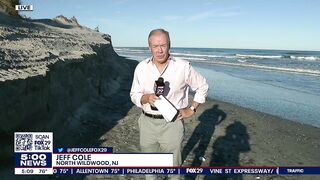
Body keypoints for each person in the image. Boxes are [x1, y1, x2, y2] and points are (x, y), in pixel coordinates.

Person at [130, 28, 209, 169]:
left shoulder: (183, 66)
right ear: (149, 47)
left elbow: (202, 86)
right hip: (147, 123)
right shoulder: (141, 68)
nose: (159, 50)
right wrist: (146, 97)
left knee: (173, 168)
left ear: (169, 45)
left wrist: (191, 109)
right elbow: (134, 94)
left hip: (172, 124)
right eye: (155, 46)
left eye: (163, 45)